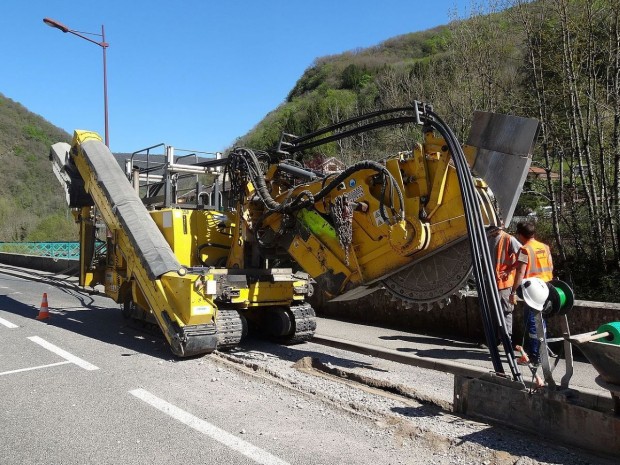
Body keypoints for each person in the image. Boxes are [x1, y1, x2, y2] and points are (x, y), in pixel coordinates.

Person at [510, 221, 554, 365]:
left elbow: (521, 272)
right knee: (541, 321)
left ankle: (535, 356)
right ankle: (542, 352)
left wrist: (513, 292)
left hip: (533, 290)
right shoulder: (545, 247)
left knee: (533, 323)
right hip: (547, 287)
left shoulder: (524, 250)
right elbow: (551, 265)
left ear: (521, 235)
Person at [487, 224, 522, 347]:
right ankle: (495, 340)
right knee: (493, 312)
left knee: (505, 311)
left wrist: (511, 269)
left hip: (504, 283)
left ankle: (505, 341)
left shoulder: (508, 239)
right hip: (491, 282)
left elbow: (523, 255)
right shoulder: (488, 238)